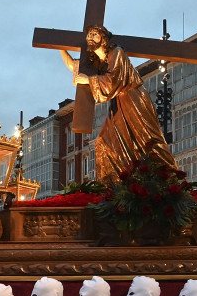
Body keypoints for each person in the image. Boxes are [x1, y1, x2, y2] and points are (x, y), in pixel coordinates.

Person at [60, 25, 178, 180]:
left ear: (104, 38)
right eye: (89, 35)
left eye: (95, 34)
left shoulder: (117, 53)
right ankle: (115, 186)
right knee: (104, 142)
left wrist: (88, 80)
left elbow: (113, 80)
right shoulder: (100, 63)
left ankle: (169, 176)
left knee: (146, 138)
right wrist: (60, 47)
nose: (90, 37)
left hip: (133, 98)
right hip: (118, 102)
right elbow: (75, 67)